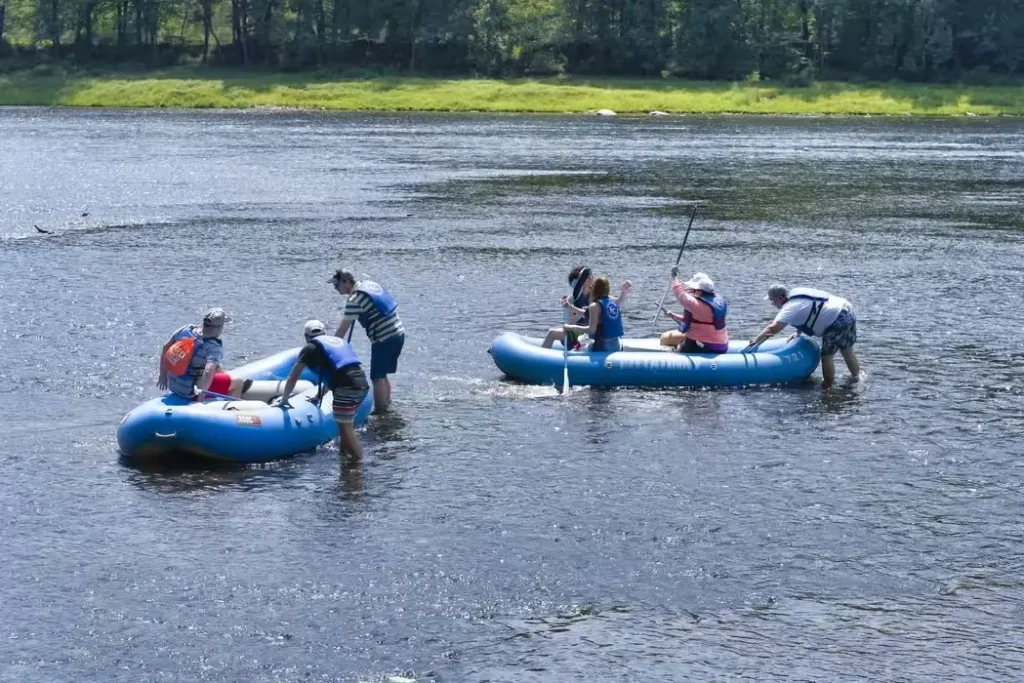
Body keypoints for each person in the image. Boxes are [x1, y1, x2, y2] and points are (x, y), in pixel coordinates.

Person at [278, 320, 370, 461]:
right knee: (345, 423)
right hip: (362, 384)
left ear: (306, 336)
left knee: (345, 426)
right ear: (324, 333)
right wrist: (319, 395)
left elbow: (293, 377)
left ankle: (358, 462)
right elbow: (336, 373)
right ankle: (345, 458)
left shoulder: (309, 349)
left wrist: (284, 399)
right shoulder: (336, 343)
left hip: (346, 387)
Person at [746, 284, 861, 387]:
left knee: (826, 357)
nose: (772, 303)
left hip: (837, 319)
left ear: (781, 297)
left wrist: (755, 341)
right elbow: (808, 311)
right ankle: (857, 378)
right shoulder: (796, 293)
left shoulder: (789, 308)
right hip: (847, 309)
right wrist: (798, 333)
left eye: (772, 300)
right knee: (846, 350)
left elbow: (773, 328)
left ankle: (827, 387)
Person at [330, 268, 405, 414]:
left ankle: (380, 412)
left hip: (384, 338)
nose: (336, 288)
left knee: (376, 377)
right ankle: (387, 405)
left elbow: (342, 331)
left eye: (337, 285)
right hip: (398, 333)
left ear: (346, 283)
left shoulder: (354, 300)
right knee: (382, 374)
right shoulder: (368, 286)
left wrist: (330, 350)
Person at [157, 308, 246, 400]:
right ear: (219, 328)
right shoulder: (213, 346)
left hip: (173, 385)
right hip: (190, 392)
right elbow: (208, 372)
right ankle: (231, 410)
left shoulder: (186, 329)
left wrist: (162, 375)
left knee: (208, 365)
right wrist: (200, 397)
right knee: (238, 382)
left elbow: (166, 346)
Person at [657, 269, 729, 353]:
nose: (690, 291)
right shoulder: (720, 302)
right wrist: (673, 315)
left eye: (692, 289)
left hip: (704, 346)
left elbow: (678, 291)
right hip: (722, 345)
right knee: (671, 338)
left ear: (699, 291)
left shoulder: (695, 304)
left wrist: (675, 277)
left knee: (665, 338)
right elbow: (699, 319)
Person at [564, 275, 632, 353]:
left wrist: (572, 327)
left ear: (594, 289)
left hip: (602, 347)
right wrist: (624, 292)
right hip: (617, 345)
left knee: (580, 342)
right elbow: (620, 302)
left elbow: (591, 330)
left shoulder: (594, 306)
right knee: (583, 339)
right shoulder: (612, 302)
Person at [542, 265, 593, 349]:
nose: (589, 279)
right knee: (551, 332)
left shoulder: (594, 296)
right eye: (586, 278)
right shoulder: (570, 300)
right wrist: (578, 313)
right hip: (575, 334)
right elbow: (568, 324)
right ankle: (541, 359)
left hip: (590, 334)